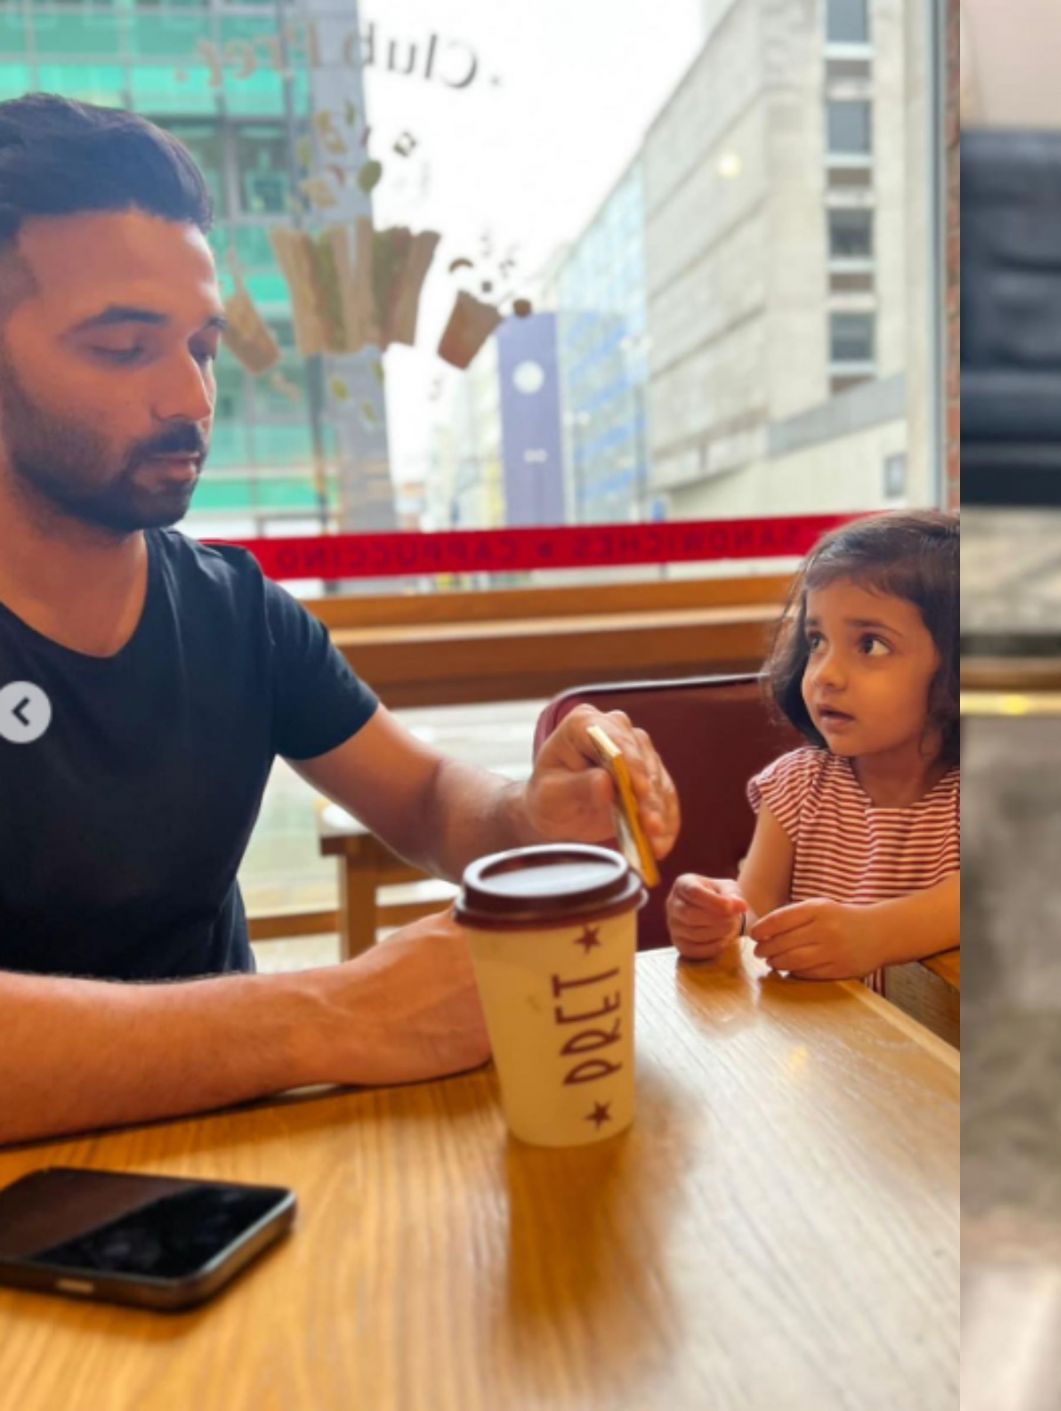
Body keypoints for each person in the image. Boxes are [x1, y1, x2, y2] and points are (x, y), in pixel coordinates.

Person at [0, 95, 680, 1145]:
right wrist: (338, 1014)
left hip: (233, 1167)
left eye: (202, 344)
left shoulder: (238, 613)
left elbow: (431, 803)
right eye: (124, 348)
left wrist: (536, 817)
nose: (188, 395)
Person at [666, 510, 959, 984]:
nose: (825, 673)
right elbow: (753, 911)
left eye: (871, 645)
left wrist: (877, 935)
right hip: (816, 1044)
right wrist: (718, 919)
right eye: (817, 641)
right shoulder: (797, 786)